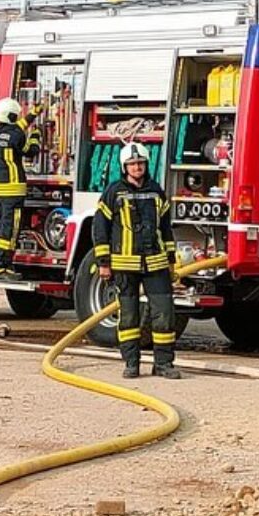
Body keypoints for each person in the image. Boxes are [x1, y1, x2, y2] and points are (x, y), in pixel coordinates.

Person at [92, 142, 181, 379]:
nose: (137, 167)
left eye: (140, 163)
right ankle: (131, 363)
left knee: (164, 314)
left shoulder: (156, 191)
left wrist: (172, 260)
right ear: (124, 167)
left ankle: (163, 364)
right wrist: (103, 262)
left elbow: (166, 227)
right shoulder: (113, 192)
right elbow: (100, 228)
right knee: (129, 317)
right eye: (132, 164)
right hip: (124, 265)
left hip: (156, 263)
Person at [0, 97, 42, 280]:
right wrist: (36, 135)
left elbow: (17, 127)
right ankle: (3, 267)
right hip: (13, 188)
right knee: (10, 229)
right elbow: (30, 150)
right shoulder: (16, 135)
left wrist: (33, 114)